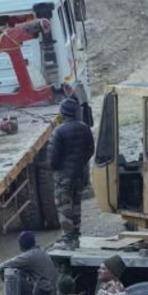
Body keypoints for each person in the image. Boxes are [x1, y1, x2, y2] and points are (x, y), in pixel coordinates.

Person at [49, 98, 95, 250]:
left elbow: (53, 159)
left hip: (63, 177)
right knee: (76, 205)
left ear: (63, 113)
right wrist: (79, 163)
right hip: (78, 175)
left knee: (64, 207)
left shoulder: (58, 131)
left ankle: (68, 240)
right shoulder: (85, 128)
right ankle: (76, 236)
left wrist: (58, 168)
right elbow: (90, 150)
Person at [0, 230, 60, 295]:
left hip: (44, 293)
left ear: (22, 245)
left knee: (6, 272)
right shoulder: (40, 250)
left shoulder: (29, 256)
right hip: (52, 289)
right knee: (18, 270)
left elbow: (6, 264)